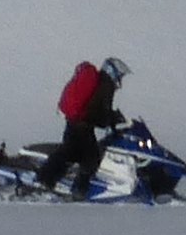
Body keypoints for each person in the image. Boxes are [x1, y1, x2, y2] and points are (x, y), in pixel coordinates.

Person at [31, 55, 129, 199]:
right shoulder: (105, 85)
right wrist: (112, 119)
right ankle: (75, 190)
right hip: (81, 126)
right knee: (91, 157)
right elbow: (96, 110)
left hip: (77, 123)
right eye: (120, 74)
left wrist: (110, 118)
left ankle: (48, 180)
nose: (120, 78)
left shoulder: (101, 82)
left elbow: (96, 109)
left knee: (71, 153)